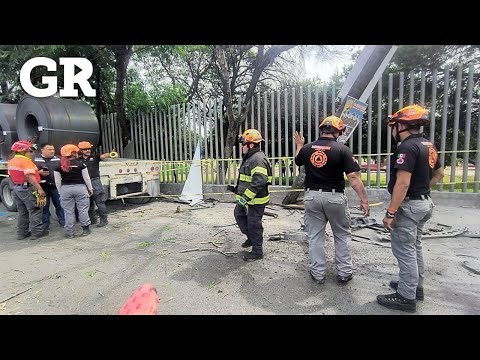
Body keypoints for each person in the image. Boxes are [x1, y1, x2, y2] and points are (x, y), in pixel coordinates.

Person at [377, 104, 444, 313]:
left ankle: (406, 297)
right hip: (425, 203)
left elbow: (402, 183)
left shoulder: (406, 148)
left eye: (393, 126)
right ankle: (415, 288)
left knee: (404, 251)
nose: (392, 130)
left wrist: (391, 212)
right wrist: (422, 188)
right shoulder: (428, 145)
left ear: (402, 125)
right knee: (415, 247)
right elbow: (440, 174)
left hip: (411, 207)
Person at [294, 116, 369, 285]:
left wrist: (299, 145)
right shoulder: (343, 150)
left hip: (312, 197)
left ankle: (318, 273)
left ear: (322, 129)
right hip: (335, 197)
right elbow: (354, 178)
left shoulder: (307, 148)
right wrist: (364, 200)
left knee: (315, 237)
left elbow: (298, 161)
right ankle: (344, 273)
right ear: (338, 131)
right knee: (342, 235)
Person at [234, 129, 272, 261]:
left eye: (243, 144)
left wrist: (244, 198)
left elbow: (259, 182)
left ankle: (257, 251)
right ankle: (251, 237)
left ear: (250, 145)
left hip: (256, 200)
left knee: (254, 223)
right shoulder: (250, 158)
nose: (241, 147)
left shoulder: (258, 159)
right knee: (239, 215)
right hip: (248, 199)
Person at [7, 140, 48, 240]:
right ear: (22, 151)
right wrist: (39, 189)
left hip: (17, 188)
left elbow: (11, 175)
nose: (32, 153)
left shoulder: (12, 161)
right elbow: (29, 176)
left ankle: (22, 233)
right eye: (30, 151)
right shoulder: (26, 161)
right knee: (35, 210)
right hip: (27, 188)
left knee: (23, 212)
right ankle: (37, 232)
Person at [54, 144, 94, 239]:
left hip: (65, 189)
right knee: (83, 209)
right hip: (80, 188)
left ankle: (69, 232)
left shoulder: (58, 166)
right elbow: (87, 178)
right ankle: (85, 229)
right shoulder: (81, 164)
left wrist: (60, 192)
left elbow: (57, 181)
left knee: (68, 211)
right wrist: (90, 189)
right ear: (73, 153)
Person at [77, 141, 113, 227]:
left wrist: (108, 155)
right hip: (84, 182)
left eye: (89, 149)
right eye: (85, 149)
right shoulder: (78, 160)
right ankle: (93, 219)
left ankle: (104, 220)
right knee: (88, 203)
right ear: (81, 150)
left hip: (95, 181)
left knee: (99, 202)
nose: (88, 150)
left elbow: (103, 156)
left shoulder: (95, 157)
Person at [34, 143, 65, 231]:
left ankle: (63, 222)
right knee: (44, 206)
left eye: (53, 149)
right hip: (42, 187)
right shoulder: (35, 160)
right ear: (42, 150)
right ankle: (45, 225)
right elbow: (30, 173)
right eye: (49, 149)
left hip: (56, 187)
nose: (52, 151)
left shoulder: (58, 159)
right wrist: (39, 173)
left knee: (60, 205)